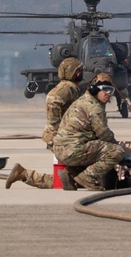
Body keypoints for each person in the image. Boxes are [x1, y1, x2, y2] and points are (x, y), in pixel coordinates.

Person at [50, 73, 131, 191]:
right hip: (73, 150)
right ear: (95, 90)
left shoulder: (81, 101)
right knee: (115, 151)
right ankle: (88, 178)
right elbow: (103, 133)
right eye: (105, 90)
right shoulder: (94, 107)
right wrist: (117, 145)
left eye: (111, 91)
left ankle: (69, 174)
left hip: (61, 150)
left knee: (94, 149)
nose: (108, 94)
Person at [6, 57, 84, 190]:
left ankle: (23, 174)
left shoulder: (64, 87)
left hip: (58, 136)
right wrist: (58, 128)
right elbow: (53, 101)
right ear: (76, 73)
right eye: (80, 71)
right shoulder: (69, 88)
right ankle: (25, 174)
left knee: (70, 180)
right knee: (81, 177)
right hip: (62, 138)